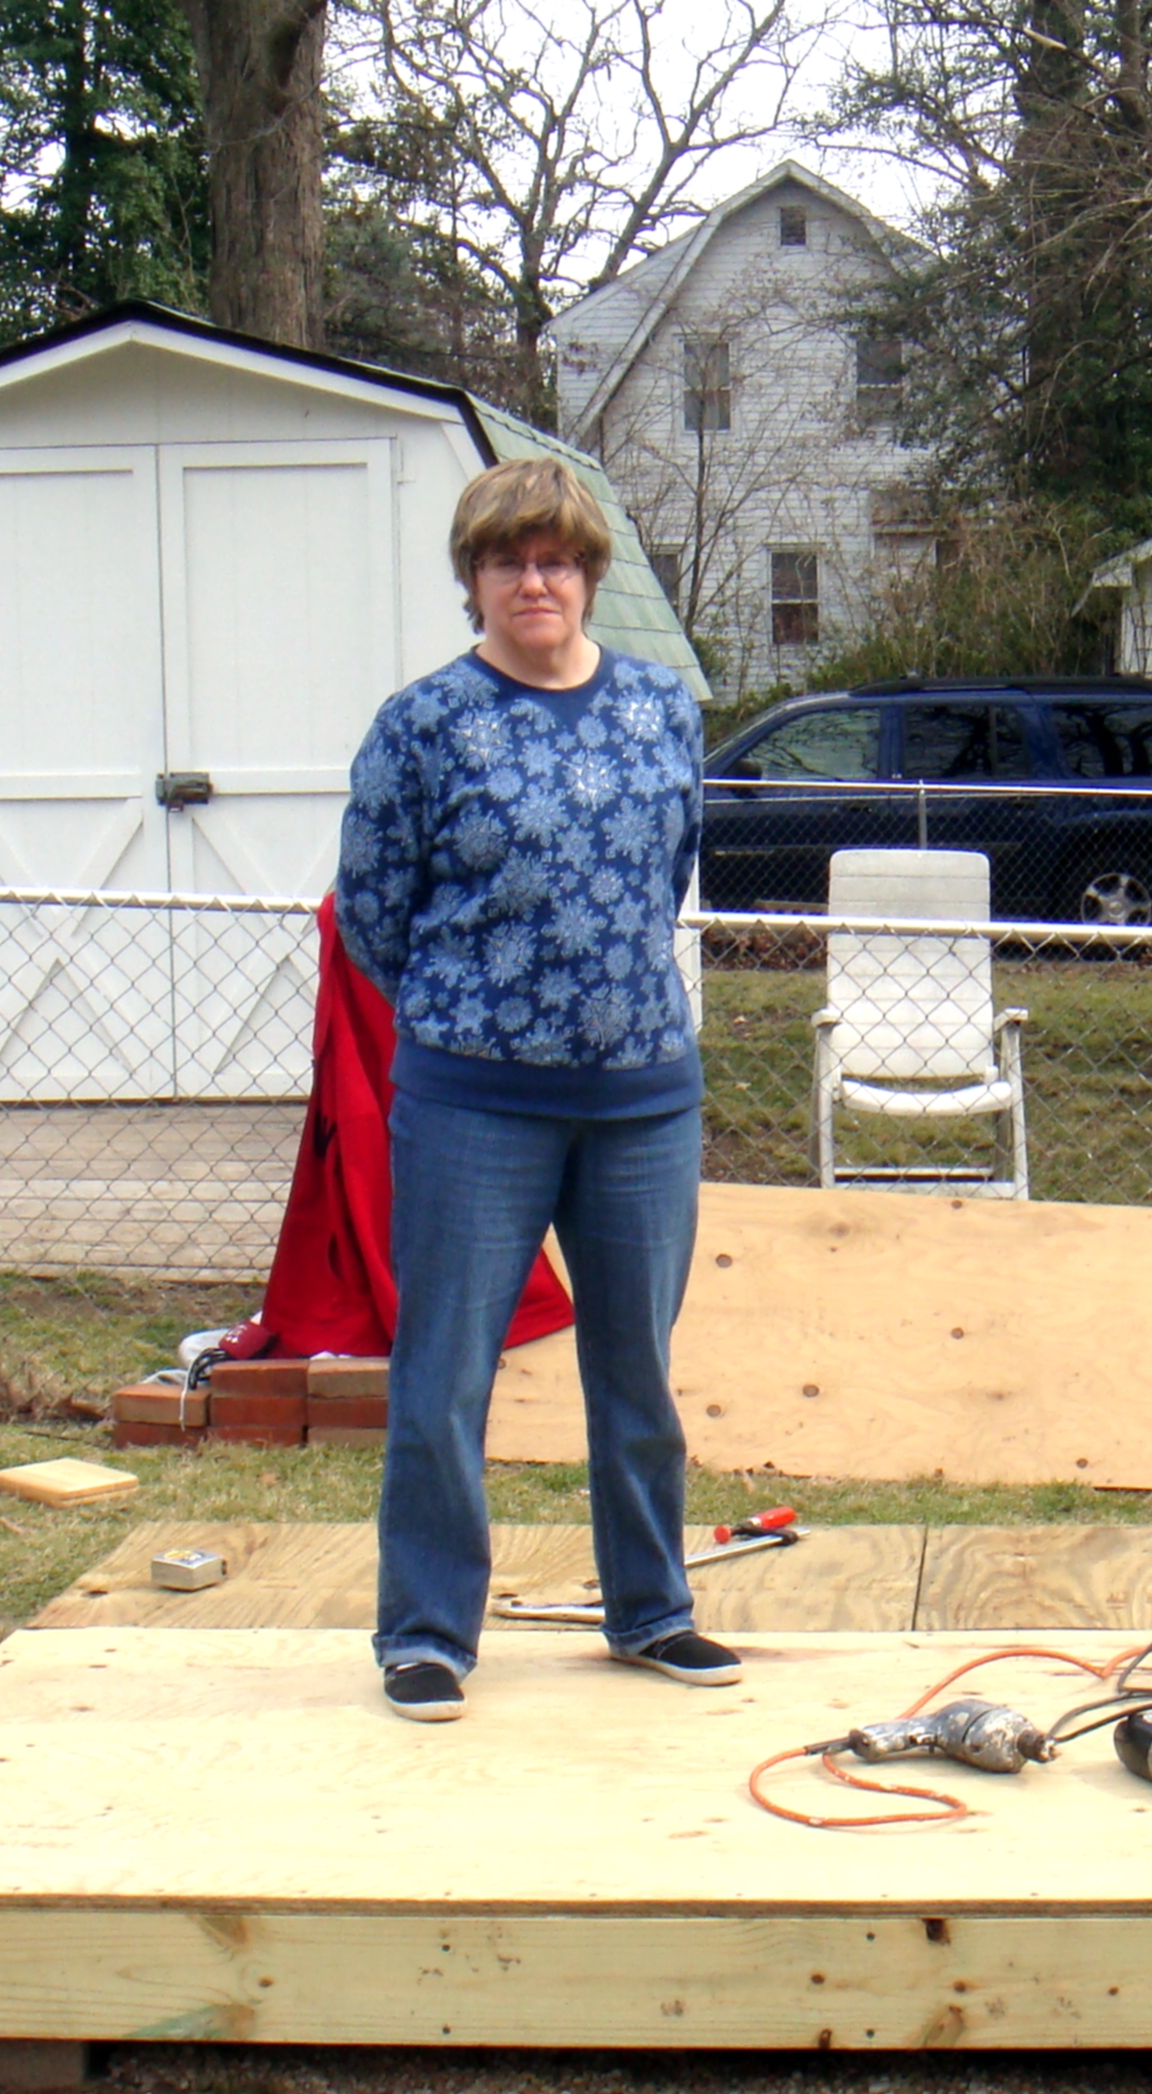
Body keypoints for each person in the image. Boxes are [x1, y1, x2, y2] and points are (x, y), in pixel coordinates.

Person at [332, 459, 736, 1723]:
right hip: (470, 1108)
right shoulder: (422, 725)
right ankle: (428, 1633)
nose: (535, 581)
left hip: (643, 1104)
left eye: (556, 559)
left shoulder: (663, 709)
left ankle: (653, 1612)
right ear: (474, 580)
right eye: (508, 561)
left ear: (589, 575)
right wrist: (482, 1023)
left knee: (638, 1374)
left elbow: (665, 872)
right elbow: (373, 915)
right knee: (444, 1374)